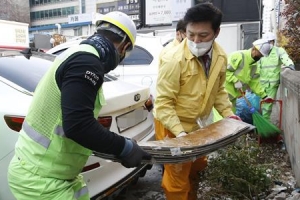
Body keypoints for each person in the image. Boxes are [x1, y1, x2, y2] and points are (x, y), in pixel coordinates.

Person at [7, 11, 151, 200]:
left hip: (52, 174)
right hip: (42, 179)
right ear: (124, 46)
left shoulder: (78, 54)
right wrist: (125, 148)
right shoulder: (86, 63)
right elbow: (78, 125)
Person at [153, 3, 241, 200]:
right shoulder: (173, 59)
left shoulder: (220, 57)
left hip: (198, 125)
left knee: (198, 167)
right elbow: (164, 103)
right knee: (177, 177)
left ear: (216, 32)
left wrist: (228, 113)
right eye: (191, 34)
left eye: (203, 36)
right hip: (171, 124)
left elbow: (218, 91)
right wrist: (181, 134)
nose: (195, 40)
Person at [225, 38, 274, 113]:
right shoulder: (238, 56)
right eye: (260, 54)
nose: (260, 57)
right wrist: (235, 80)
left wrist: (264, 96)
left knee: (230, 116)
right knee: (221, 117)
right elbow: (224, 71)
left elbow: (255, 83)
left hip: (234, 95)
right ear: (254, 49)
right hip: (224, 92)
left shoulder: (254, 66)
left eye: (262, 56)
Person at [258, 31, 295, 121]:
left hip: (272, 85)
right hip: (260, 84)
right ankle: (260, 123)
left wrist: (290, 65)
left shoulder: (279, 51)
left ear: (274, 42)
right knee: (260, 105)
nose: (269, 44)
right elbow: (257, 66)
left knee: (267, 106)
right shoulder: (261, 52)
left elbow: (285, 58)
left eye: (271, 41)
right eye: (268, 42)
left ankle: (265, 125)